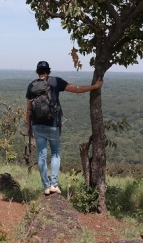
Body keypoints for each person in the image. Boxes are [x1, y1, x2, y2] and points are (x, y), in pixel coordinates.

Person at [26, 61, 104, 195]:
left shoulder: (32, 85)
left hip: (37, 125)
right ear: (48, 71)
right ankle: (54, 185)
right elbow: (77, 89)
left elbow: (28, 110)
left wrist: (29, 128)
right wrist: (95, 86)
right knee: (55, 153)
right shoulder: (56, 81)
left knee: (41, 155)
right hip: (53, 124)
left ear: (38, 72)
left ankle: (46, 186)